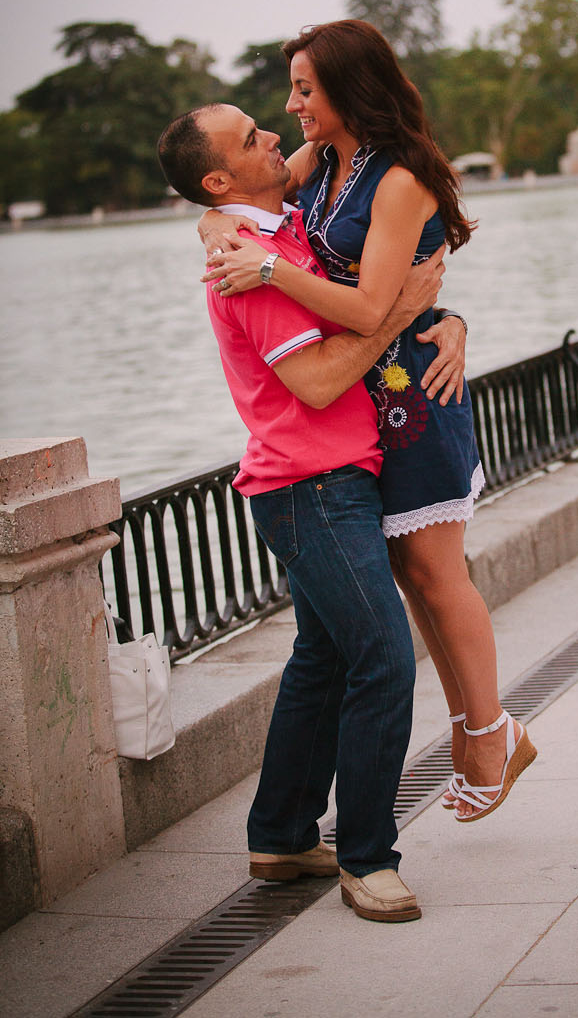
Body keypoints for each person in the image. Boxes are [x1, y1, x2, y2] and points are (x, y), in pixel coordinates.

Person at [198, 20, 536, 823]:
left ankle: (492, 733)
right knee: (411, 579)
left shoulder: (400, 177)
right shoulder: (319, 164)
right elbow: (243, 202)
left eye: (306, 90)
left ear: (350, 89)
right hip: (362, 400)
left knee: (435, 573)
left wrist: (271, 267)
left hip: (414, 395)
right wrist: (215, 226)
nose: (292, 107)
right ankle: (473, 734)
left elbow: (375, 305)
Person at [157, 101, 447, 923]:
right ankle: (367, 858)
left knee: (324, 661)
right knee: (385, 659)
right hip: (310, 487)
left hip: (323, 480)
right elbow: (317, 381)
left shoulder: (273, 227)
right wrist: (405, 306)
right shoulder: (243, 260)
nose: (275, 135)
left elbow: (332, 139)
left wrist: (443, 314)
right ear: (218, 180)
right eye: (252, 138)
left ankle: (282, 837)